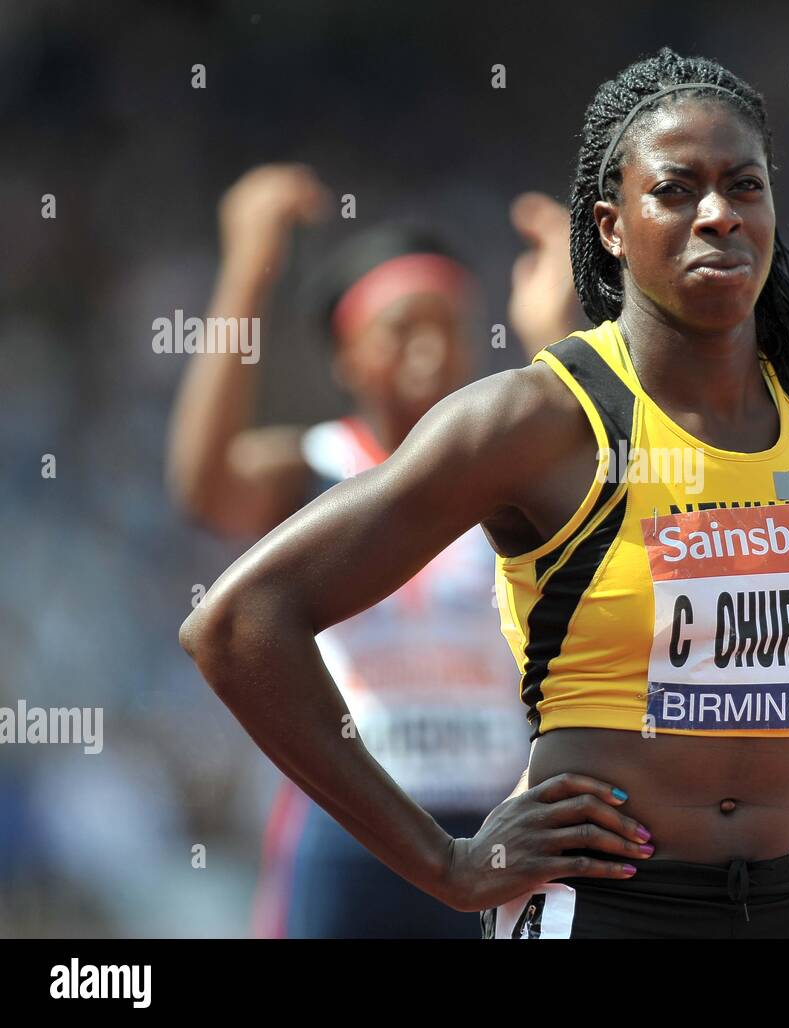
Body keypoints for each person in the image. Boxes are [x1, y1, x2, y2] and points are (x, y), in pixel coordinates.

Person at [179, 48, 789, 940]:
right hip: (609, 907)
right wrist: (445, 862)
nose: (719, 216)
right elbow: (238, 624)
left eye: (745, 187)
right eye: (676, 190)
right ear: (611, 226)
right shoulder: (535, 421)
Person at [166, 165, 575, 936]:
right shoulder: (313, 469)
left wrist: (558, 332)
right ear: (347, 358)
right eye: (402, 329)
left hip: (497, 820)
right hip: (350, 821)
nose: (430, 348)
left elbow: (602, 484)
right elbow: (205, 485)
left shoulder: (505, 468)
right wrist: (248, 271)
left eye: (449, 324)